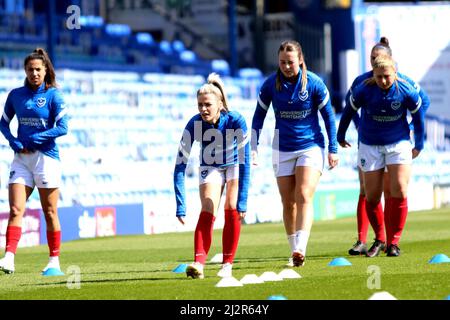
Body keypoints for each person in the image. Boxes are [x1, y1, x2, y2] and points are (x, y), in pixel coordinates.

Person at [251, 40, 339, 267]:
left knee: (303, 194)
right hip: (281, 147)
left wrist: (333, 148)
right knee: (287, 201)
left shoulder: (315, 84)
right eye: (282, 62)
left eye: (290, 62)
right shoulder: (270, 85)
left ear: (300, 60)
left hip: (310, 145)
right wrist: (253, 147)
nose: (286, 66)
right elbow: (258, 117)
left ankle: (301, 246)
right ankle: (294, 252)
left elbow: (329, 117)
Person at [344, 37, 430, 257]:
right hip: (369, 142)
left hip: (397, 141)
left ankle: (392, 241)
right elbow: (349, 107)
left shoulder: (404, 84)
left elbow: (423, 104)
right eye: (372, 59)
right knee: (369, 193)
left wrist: (410, 129)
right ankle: (370, 239)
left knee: (396, 190)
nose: (375, 62)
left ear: (391, 62)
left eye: (378, 58)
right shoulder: (362, 83)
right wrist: (359, 127)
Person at [174, 73, 250, 279]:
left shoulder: (236, 120)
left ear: (220, 103)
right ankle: (198, 264)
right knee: (208, 207)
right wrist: (180, 204)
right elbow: (180, 165)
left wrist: (243, 200)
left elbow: (245, 162)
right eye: (199, 105)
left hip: (234, 163)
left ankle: (227, 264)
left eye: (207, 104)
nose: (203, 109)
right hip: (210, 165)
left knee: (231, 206)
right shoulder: (194, 124)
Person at [0, 48, 69, 274]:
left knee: (49, 212)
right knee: (15, 208)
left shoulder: (54, 96)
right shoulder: (15, 95)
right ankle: (9, 257)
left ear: (45, 70)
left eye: (38, 69)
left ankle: (54, 260)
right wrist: (12, 140)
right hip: (21, 159)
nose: (34, 73)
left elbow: (63, 128)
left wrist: (36, 138)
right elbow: (3, 123)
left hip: (46, 159)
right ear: (25, 71)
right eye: (30, 70)